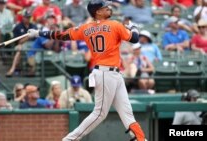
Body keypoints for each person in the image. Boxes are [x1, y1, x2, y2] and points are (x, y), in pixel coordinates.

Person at [27, 0, 146, 140]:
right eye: (105, 7)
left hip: (112, 73)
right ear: (98, 12)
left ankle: (140, 138)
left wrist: (39, 32)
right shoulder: (115, 25)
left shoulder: (85, 28)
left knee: (127, 112)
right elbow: (135, 38)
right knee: (100, 113)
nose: (109, 8)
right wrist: (134, 27)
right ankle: (69, 139)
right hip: (105, 73)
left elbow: (62, 35)